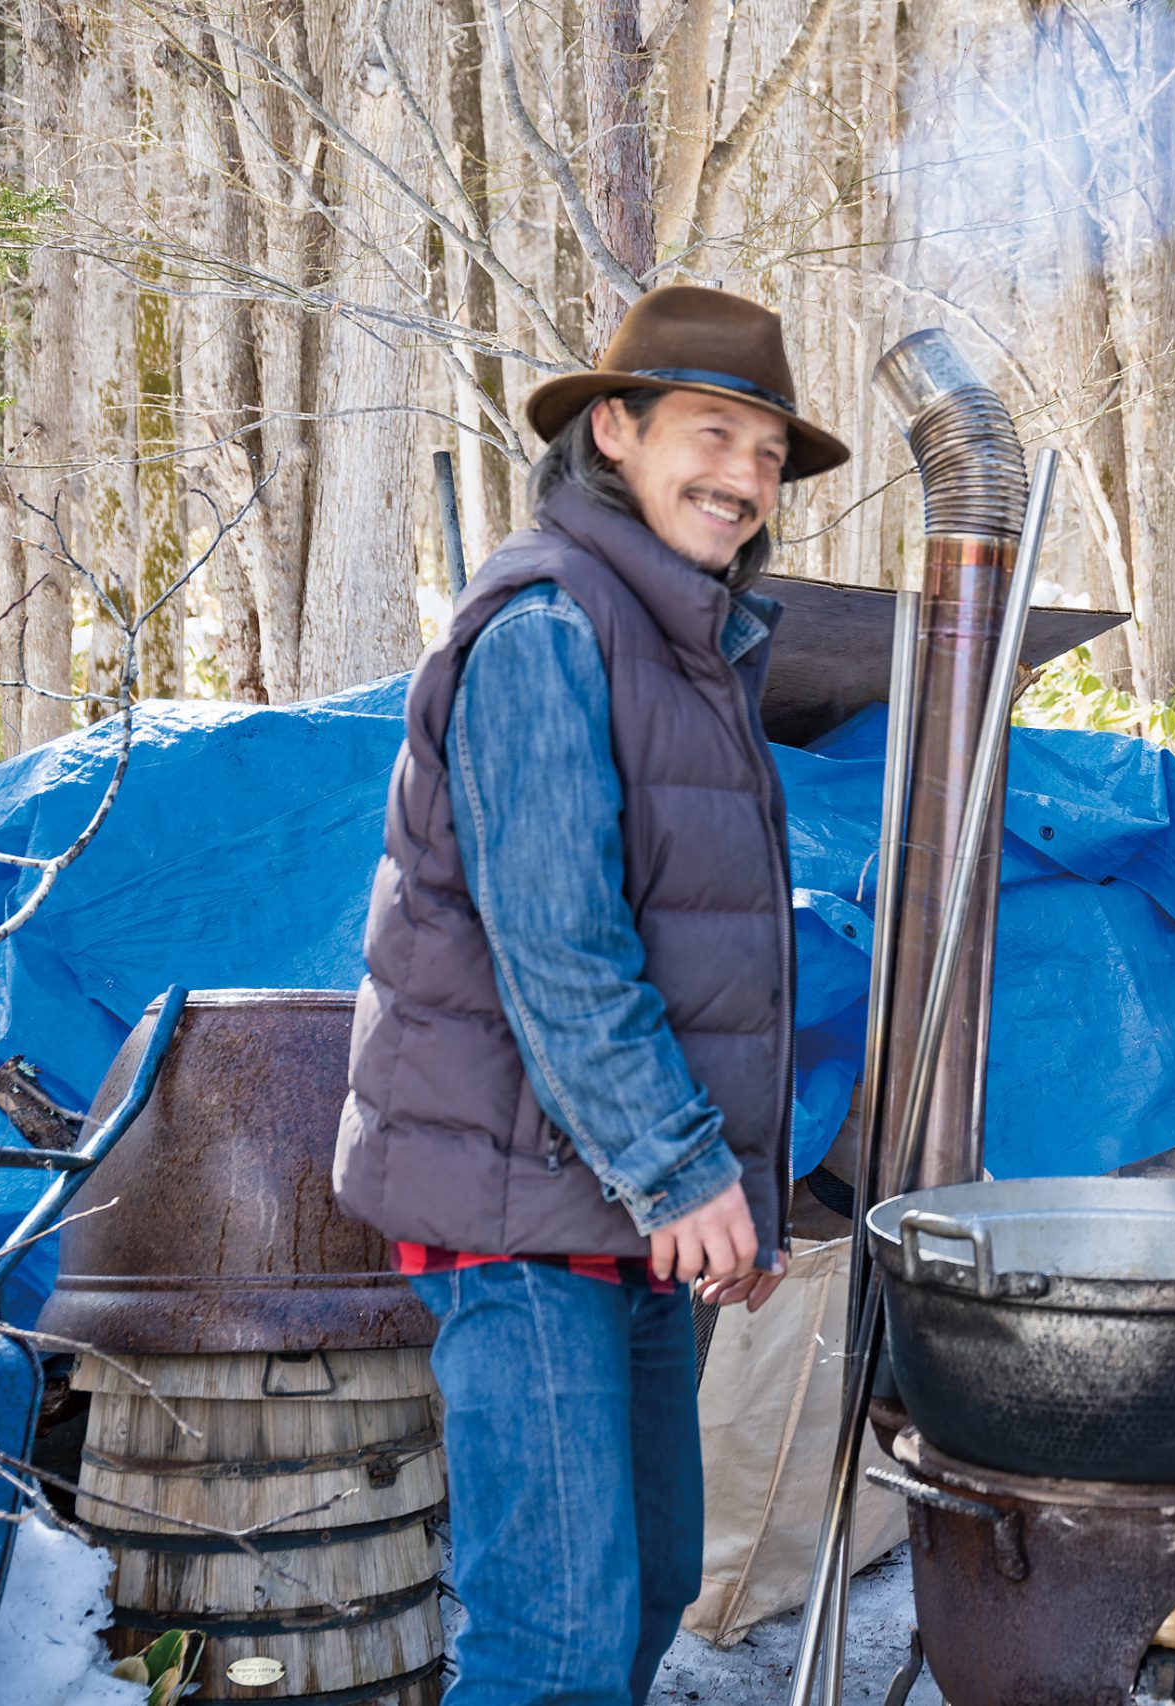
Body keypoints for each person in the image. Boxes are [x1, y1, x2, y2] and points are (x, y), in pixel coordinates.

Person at [335, 285, 849, 1706]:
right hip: (523, 1213)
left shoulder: (690, 641)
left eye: (767, 452)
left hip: (618, 1203)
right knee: (553, 1639)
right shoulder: (549, 628)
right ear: (612, 431)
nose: (743, 478)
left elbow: (708, 957)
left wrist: (728, 1186)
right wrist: (688, 1171)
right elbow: (561, 950)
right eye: (711, 434)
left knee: (646, 1595)